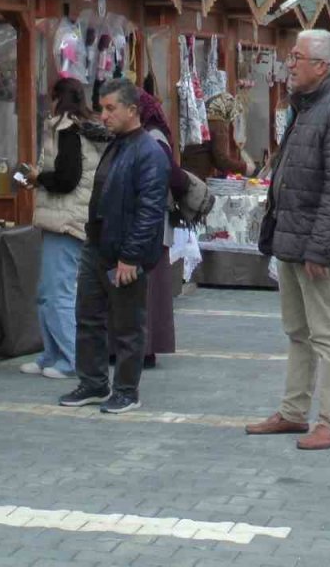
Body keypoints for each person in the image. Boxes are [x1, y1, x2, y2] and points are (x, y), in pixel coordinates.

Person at [244, 30, 330, 451]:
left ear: (322, 65)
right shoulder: (307, 105)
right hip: (292, 239)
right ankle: (294, 412)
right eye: (290, 55)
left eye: (296, 57)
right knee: (298, 331)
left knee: (326, 334)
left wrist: (320, 246)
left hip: (317, 245)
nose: (289, 63)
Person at [57, 78, 168, 415]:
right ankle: (92, 383)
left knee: (128, 325)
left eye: (110, 108)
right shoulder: (117, 144)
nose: (103, 115)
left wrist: (131, 256)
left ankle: (126, 390)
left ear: (132, 110)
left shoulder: (148, 151)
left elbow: (150, 211)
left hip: (125, 253)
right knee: (88, 318)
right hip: (97, 246)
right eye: (102, 108)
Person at [23, 78, 112, 379]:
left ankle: (71, 358)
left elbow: (67, 178)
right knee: (47, 291)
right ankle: (52, 353)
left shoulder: (67, 129)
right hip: (67, 219)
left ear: (58, 99)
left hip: (66, 221)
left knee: (57, 293)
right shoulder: (80, 127)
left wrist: (38, 178)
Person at [138, 90, 190, 368]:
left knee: (151, 289)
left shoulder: (153, 138)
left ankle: (147, 348)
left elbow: (172, 176)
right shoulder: (150, 136)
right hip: (152, 224)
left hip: (153, 225)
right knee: (151, 289)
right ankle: (143, 347)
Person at [182, 92, 253, 180]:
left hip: (188, 171)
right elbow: (221, 160)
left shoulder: (202, 118)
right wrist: (245, 168)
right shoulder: (218, 124)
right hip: (198, 176)